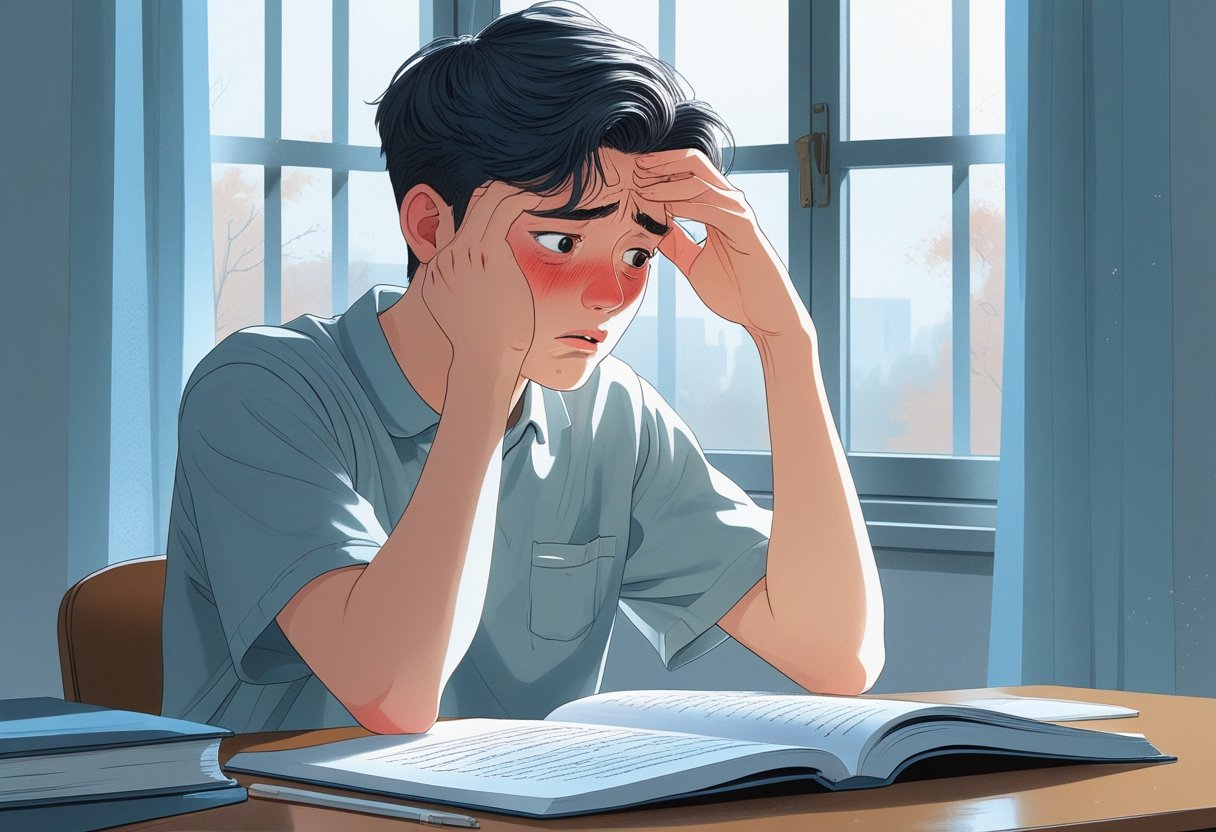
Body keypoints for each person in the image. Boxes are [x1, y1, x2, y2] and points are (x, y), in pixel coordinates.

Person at [160, 2, 885, 735]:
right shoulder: (259, 388)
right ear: (432, 228)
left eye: (637, 254)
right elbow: (394, 694)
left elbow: (835, 656)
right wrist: (485, 371)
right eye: (560, 243)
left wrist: (784, 339)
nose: (609, 295)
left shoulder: (612, 418)